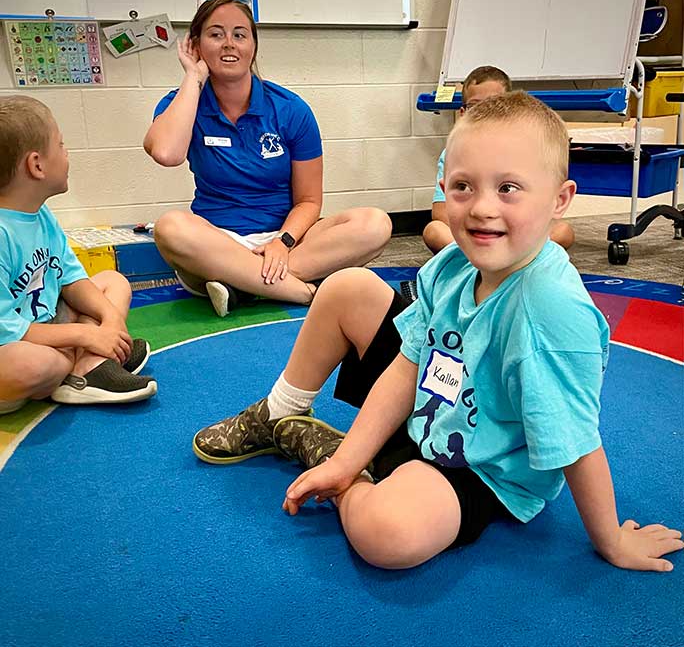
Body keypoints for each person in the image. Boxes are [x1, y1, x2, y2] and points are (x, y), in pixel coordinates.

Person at [191, 92, 683, 572]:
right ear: (444, 188)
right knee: (347, 288)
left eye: (508, 188)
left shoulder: (550, 312)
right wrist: (351, 457)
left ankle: (337, 461)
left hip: (481, 464)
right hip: (430, 408)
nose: (482, 208)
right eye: (464, 186)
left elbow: (576, 439)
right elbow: (409, 365)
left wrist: (612, 540)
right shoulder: (452, 265)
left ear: (560, 200)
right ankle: (279, 413)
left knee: (387, 536)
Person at [144, 0, 392, 317]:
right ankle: (303, 291)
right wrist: (193, 77)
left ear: (253, 46)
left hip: (285, 244)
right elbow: (166, 153)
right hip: (216, 245)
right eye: (216, 34)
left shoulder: (290, 109)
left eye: (239, 35)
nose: (229, 43)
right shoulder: (181, 102)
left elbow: (308, 201)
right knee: (170, 228)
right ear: (196, 45)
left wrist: (282, 242)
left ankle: (242, 286)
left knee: (374, 224)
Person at [0, 96, 157, 414]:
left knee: (113, 282)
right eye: (60, 145)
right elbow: (8, 329)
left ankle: (86, 367)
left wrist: (110, 321)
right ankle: (80, 364)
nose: (66, 152)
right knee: (33, 364)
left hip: (46, 324)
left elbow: (72, 279)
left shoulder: (40, 214)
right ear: (36, 165)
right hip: (13, 348)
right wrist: (86, 335)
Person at [423, 65, 575, 254]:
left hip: (515, 230)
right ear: (463, 113)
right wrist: (472, 230)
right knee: (434, 231)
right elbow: (440, 213)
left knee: (563, 231)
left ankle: (507, 251)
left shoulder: (526, 151)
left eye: (495, 106)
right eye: (475, 107)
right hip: (470, 233)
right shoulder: (453, 154)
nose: (485, 115)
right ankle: (489, 254)